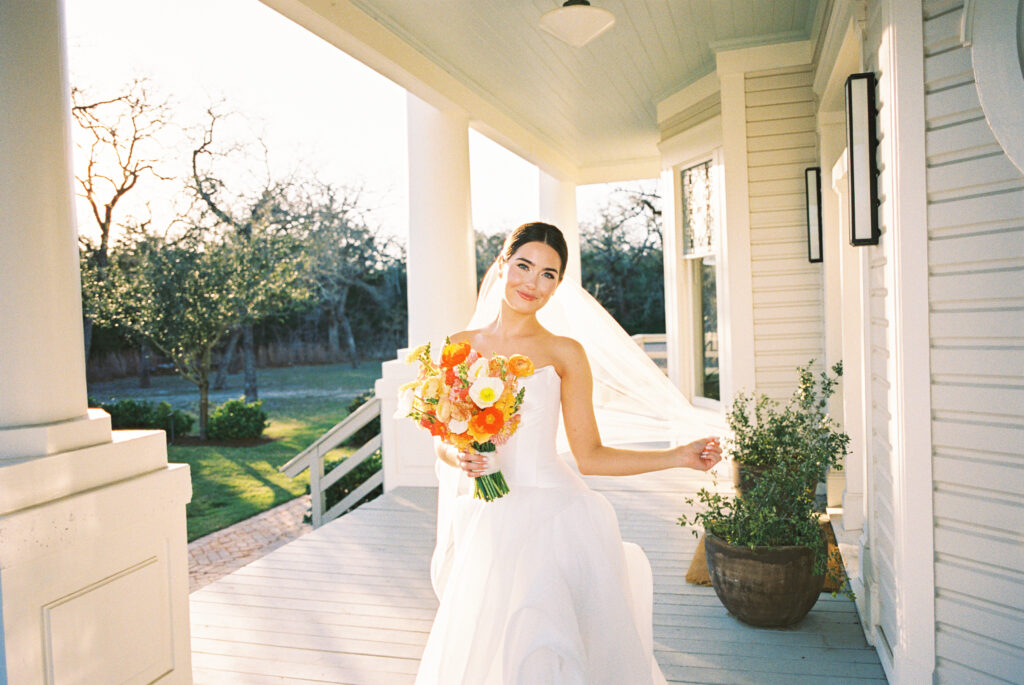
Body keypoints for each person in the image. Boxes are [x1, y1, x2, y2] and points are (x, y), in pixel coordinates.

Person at [414, 222, 722, 685]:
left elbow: (591, 455)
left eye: (547, 275)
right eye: (523, 266)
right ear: (502, 264)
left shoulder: (565, 353)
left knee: (546, 646)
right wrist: (458, 457)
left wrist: (677, 456)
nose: (531, 284)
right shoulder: (459, 347)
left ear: (558, 286)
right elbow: (442, 436)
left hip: (552, 518)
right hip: (486, 520)